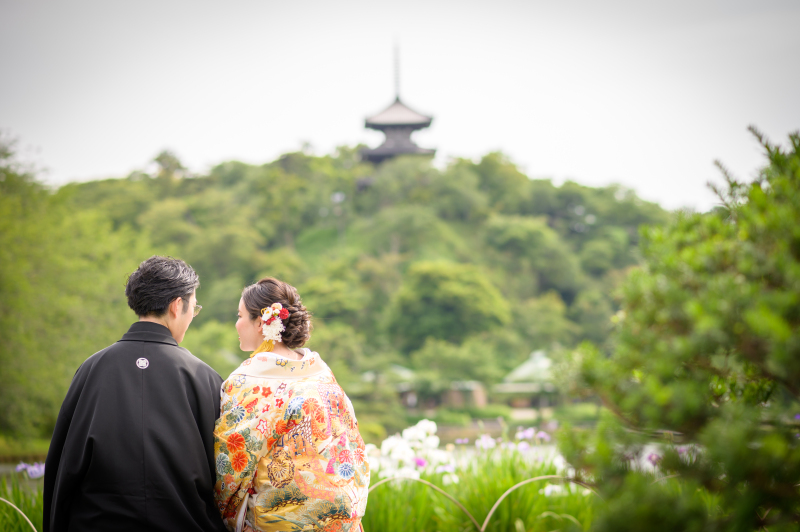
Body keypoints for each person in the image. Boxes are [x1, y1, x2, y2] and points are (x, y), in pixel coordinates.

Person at [44, 256, 227, 532]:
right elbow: (223, 475)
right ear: (178, 306)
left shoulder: (91, 370)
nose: (192, 315)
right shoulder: (204, 377)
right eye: (194, 307)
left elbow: (63, 465)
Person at [214, 277, 369, 532]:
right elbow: (352, 442)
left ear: (262, 322)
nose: (236, 324)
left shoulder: (247, 381)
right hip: (341, 517)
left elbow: (232, 465)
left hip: (281, 521)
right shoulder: (321, 370)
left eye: (240, 315)